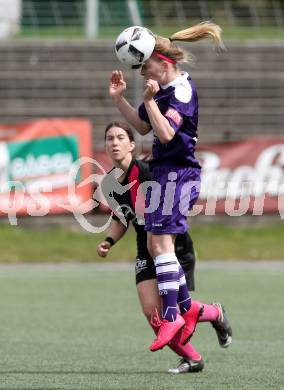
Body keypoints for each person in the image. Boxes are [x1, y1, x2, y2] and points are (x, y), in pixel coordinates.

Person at [109, 21, 226, 350]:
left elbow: (166, 134)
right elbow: (144, 128)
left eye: (146, 66)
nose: (144, 73)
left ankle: (174, 314)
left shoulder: (181, 90)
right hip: (163, 174)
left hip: (179, 174)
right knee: (153, 245)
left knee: (160, 246)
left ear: (164, 61)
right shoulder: (161, 90)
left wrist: (148, 101)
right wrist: (120, 100)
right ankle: (187, 310)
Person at [97, 121, 232, 373]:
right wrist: (108, 241)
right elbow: (120, 218)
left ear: (132, 145)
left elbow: (173, 208)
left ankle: (215, 313)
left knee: (181, 309)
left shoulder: (148, 172)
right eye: (109, 138)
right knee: (153, 314)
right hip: (143, 247)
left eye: (120, 138)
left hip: (172, 245)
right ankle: (193, 358)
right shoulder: (109, 184)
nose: (114, 143)